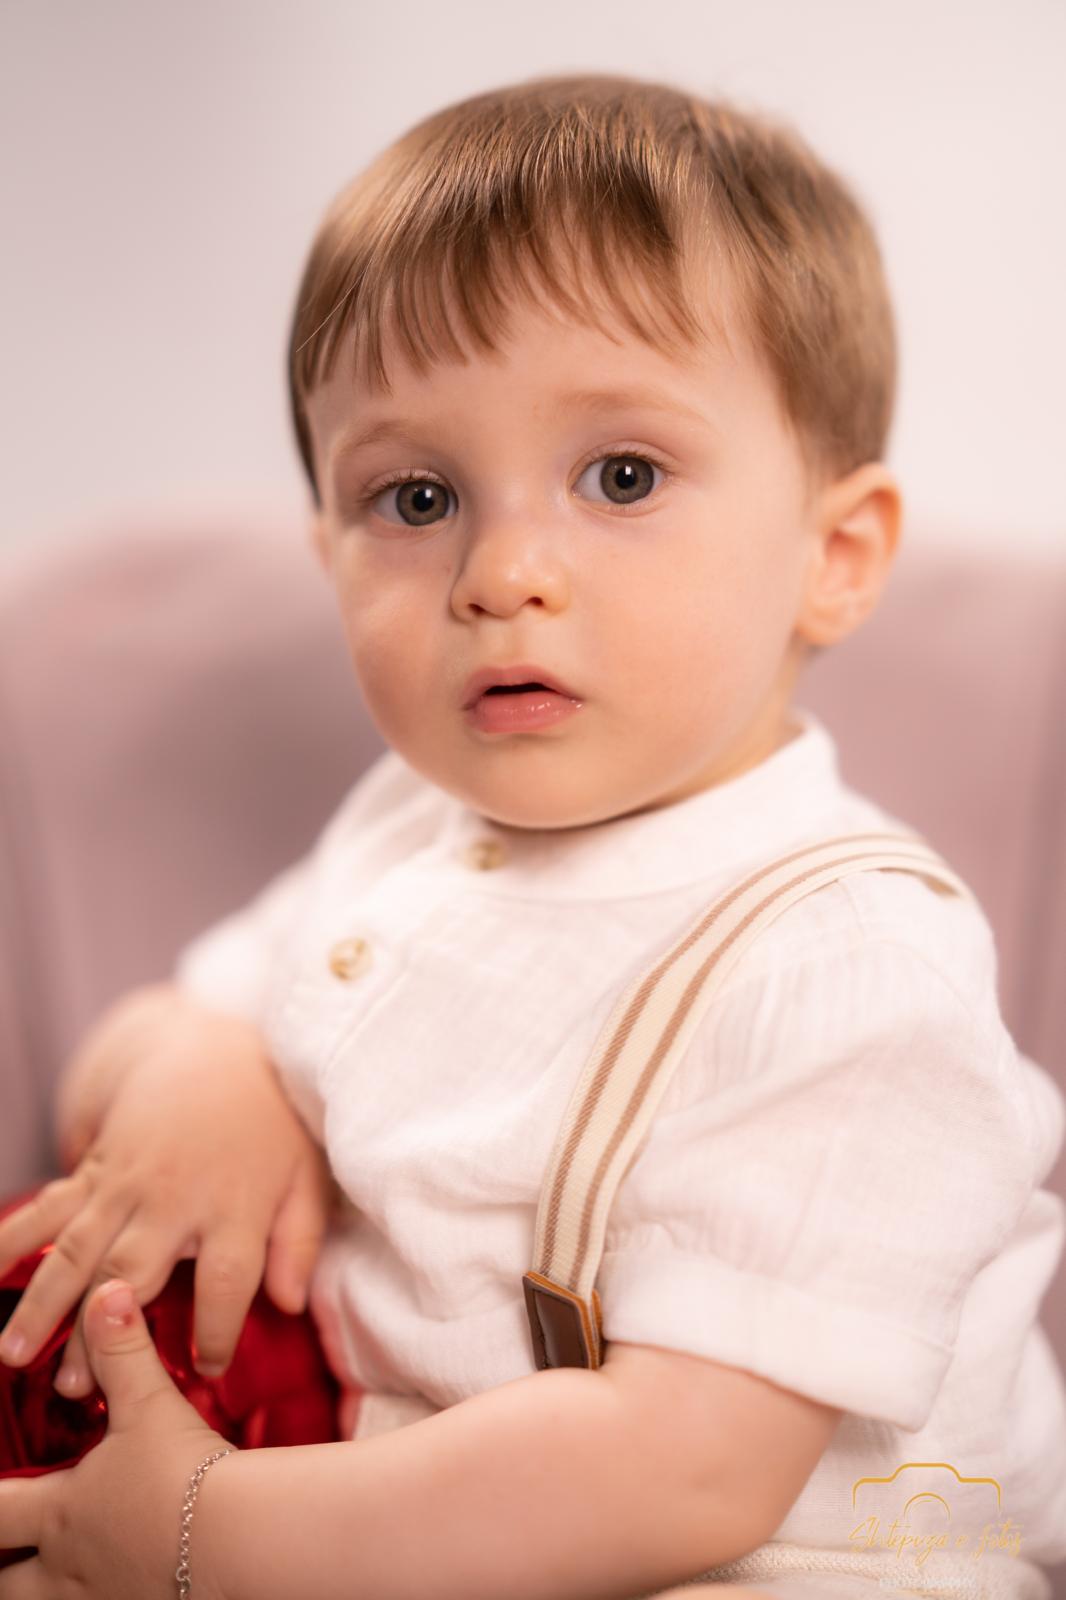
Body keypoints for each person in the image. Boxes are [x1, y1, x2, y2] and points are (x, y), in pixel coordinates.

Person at [0, 71, 1063, 1600]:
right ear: (325, 551)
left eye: (620, 477)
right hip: (378, 1524)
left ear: (832, 557)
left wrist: (207, 1533)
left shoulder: (847, 963)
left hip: (776, 1564)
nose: (500, 573)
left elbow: (685, 1469)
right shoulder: (408, 829)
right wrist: (202, 1070)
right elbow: (147, 1034)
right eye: (413, 496)